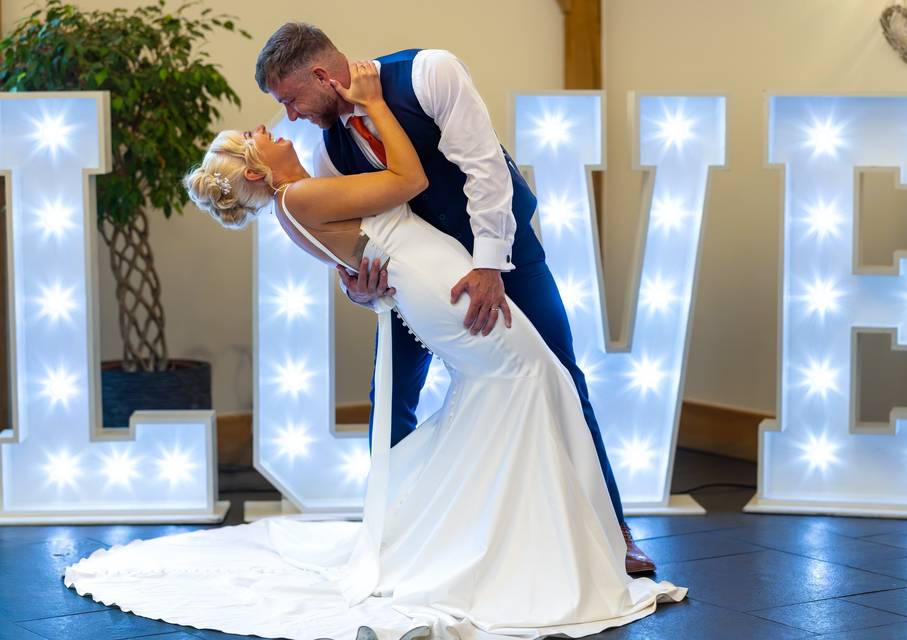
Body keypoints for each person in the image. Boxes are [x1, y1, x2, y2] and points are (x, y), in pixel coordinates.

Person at [64, 62, 685, 640]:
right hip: (436, 286)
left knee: (536, 383)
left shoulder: (393, 102)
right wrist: (368, 115)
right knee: (523, 384)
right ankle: (491, 539)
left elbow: (381, 226)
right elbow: (403, 186)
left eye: (284, 100)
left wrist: (365, 264)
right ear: (256, 171)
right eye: (260, 130)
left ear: (315, 73)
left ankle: (543, 530)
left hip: (466, 265)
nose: (278, 120)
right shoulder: (302, 191)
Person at [254, 22, 655, 573]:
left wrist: (489, 263)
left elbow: (484, 165)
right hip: (423, 282)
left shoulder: (428, 72)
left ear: (322, 75)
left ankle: (615, 530)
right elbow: (358, 236)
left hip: (505, 254)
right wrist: (359, 286)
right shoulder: (329, 147)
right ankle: (389, 536)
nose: (292, 115)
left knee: (561, 375)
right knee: (391, 394)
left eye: (291, 99)